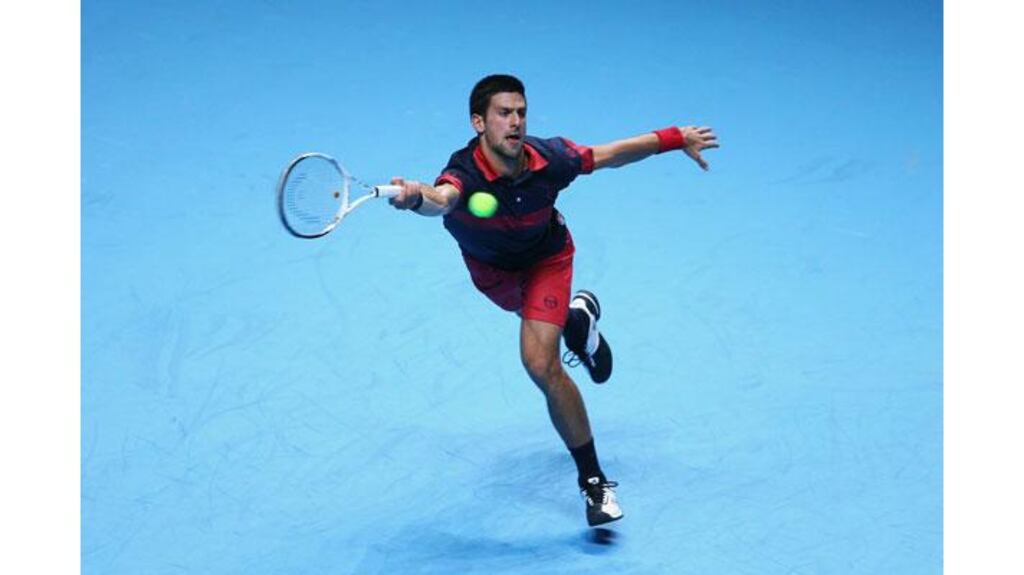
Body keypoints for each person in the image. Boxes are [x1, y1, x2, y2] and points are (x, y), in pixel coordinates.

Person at [387, 74, 718, 527]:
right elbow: (440, 199)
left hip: (547, 260)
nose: (516, 121)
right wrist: (412, 197)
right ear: (478, 122)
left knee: (540, 363)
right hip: (495, 275)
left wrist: (674, 138)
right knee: (544, 331)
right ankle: (577, 320)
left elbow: (609, 155)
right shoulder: (463, 173)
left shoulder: (549, 159)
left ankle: (594, 484)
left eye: (521, 112)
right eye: (504, 113)